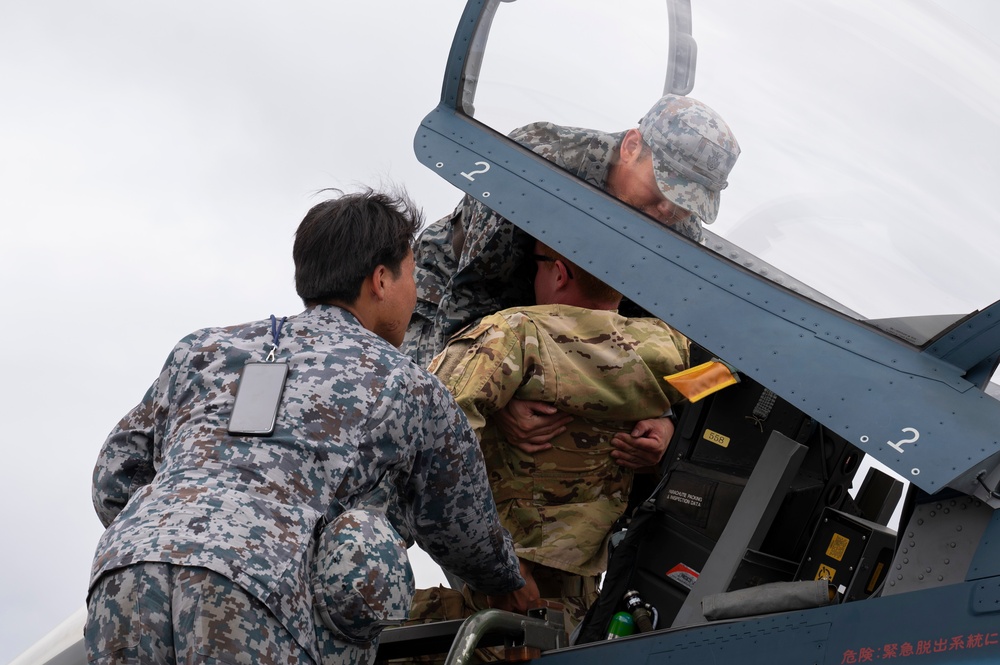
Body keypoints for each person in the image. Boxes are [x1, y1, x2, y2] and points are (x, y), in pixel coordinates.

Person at [85, 189, 525, 665]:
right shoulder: (408, 383)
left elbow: (114, 477)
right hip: (262, 595)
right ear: (381, 280)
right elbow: (462, 524)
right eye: (413, 274)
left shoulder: (202, 350)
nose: (416, 292)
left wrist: (185, 533)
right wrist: (510, 587)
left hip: (124, 579)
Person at [411, 240, 690, 634]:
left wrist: (500, 568)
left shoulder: (513, 334)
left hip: (503, 578)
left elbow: (424, 436)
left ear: (559, 273)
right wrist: (669, 426)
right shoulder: (671, 349)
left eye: (536, 265)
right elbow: (725, 401)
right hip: (581, 591)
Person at [401, 93, 740, 370]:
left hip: (557, 335)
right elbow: (470, 297)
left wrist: (660, 418)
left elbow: (656, 337)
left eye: (688, 201)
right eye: (665, 188)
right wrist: (502, 397)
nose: (670, 210)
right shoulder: (538, 162)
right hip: (446, 296)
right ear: (632, 147)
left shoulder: (681, 230)